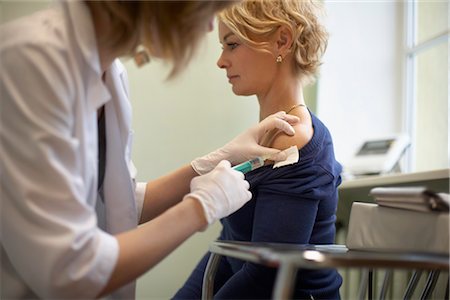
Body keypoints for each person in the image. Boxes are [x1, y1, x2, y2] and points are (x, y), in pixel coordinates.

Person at [0, 1, 301, 299]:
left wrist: (213, 161)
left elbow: (117, 203)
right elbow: (70, 270)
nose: (210, 26)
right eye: (207, 8)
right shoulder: (28, 62)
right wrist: (200, 208)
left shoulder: (111, 72)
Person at [173, 0, 343, 299]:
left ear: (282, 40)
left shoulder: (293, 140)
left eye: (232, 44)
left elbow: (266, 275)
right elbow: (229, 244)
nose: (221, 61)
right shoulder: (265, 138)